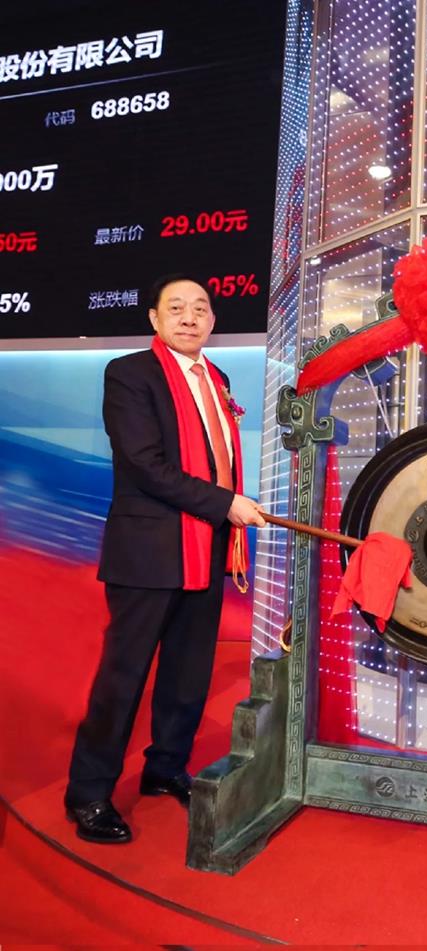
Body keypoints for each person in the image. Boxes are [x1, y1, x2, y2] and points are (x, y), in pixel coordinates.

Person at [64, 275, 265, 843]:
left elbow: (219, 460)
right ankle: (88, 793)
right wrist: (225, 503)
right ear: (154, 318)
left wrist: (225, 508)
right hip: (150, 549)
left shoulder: (217, 379)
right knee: (124, 676)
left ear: (212, 320)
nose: (189, 317)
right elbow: (145, 465)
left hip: (206, 545)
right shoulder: (130, 374)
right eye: (175, 308)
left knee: (188, 671)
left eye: (200, 308)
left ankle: (165, 766)